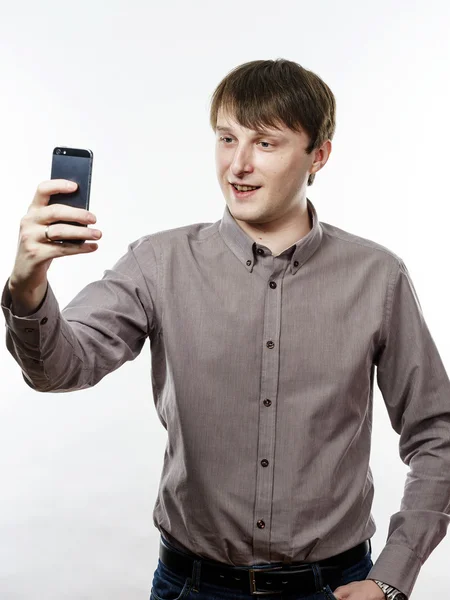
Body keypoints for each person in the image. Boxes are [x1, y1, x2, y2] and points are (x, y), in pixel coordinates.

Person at [2, 58, 449, 600]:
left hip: (334, 588)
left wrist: (393, 576)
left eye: (265, 143)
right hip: (192, 586)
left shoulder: (378, 277)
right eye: (226, 139)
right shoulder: (157, 262)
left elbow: (437, 434)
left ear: (319, 155)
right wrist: (27, 285)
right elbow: (60, 369)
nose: (237, 165)